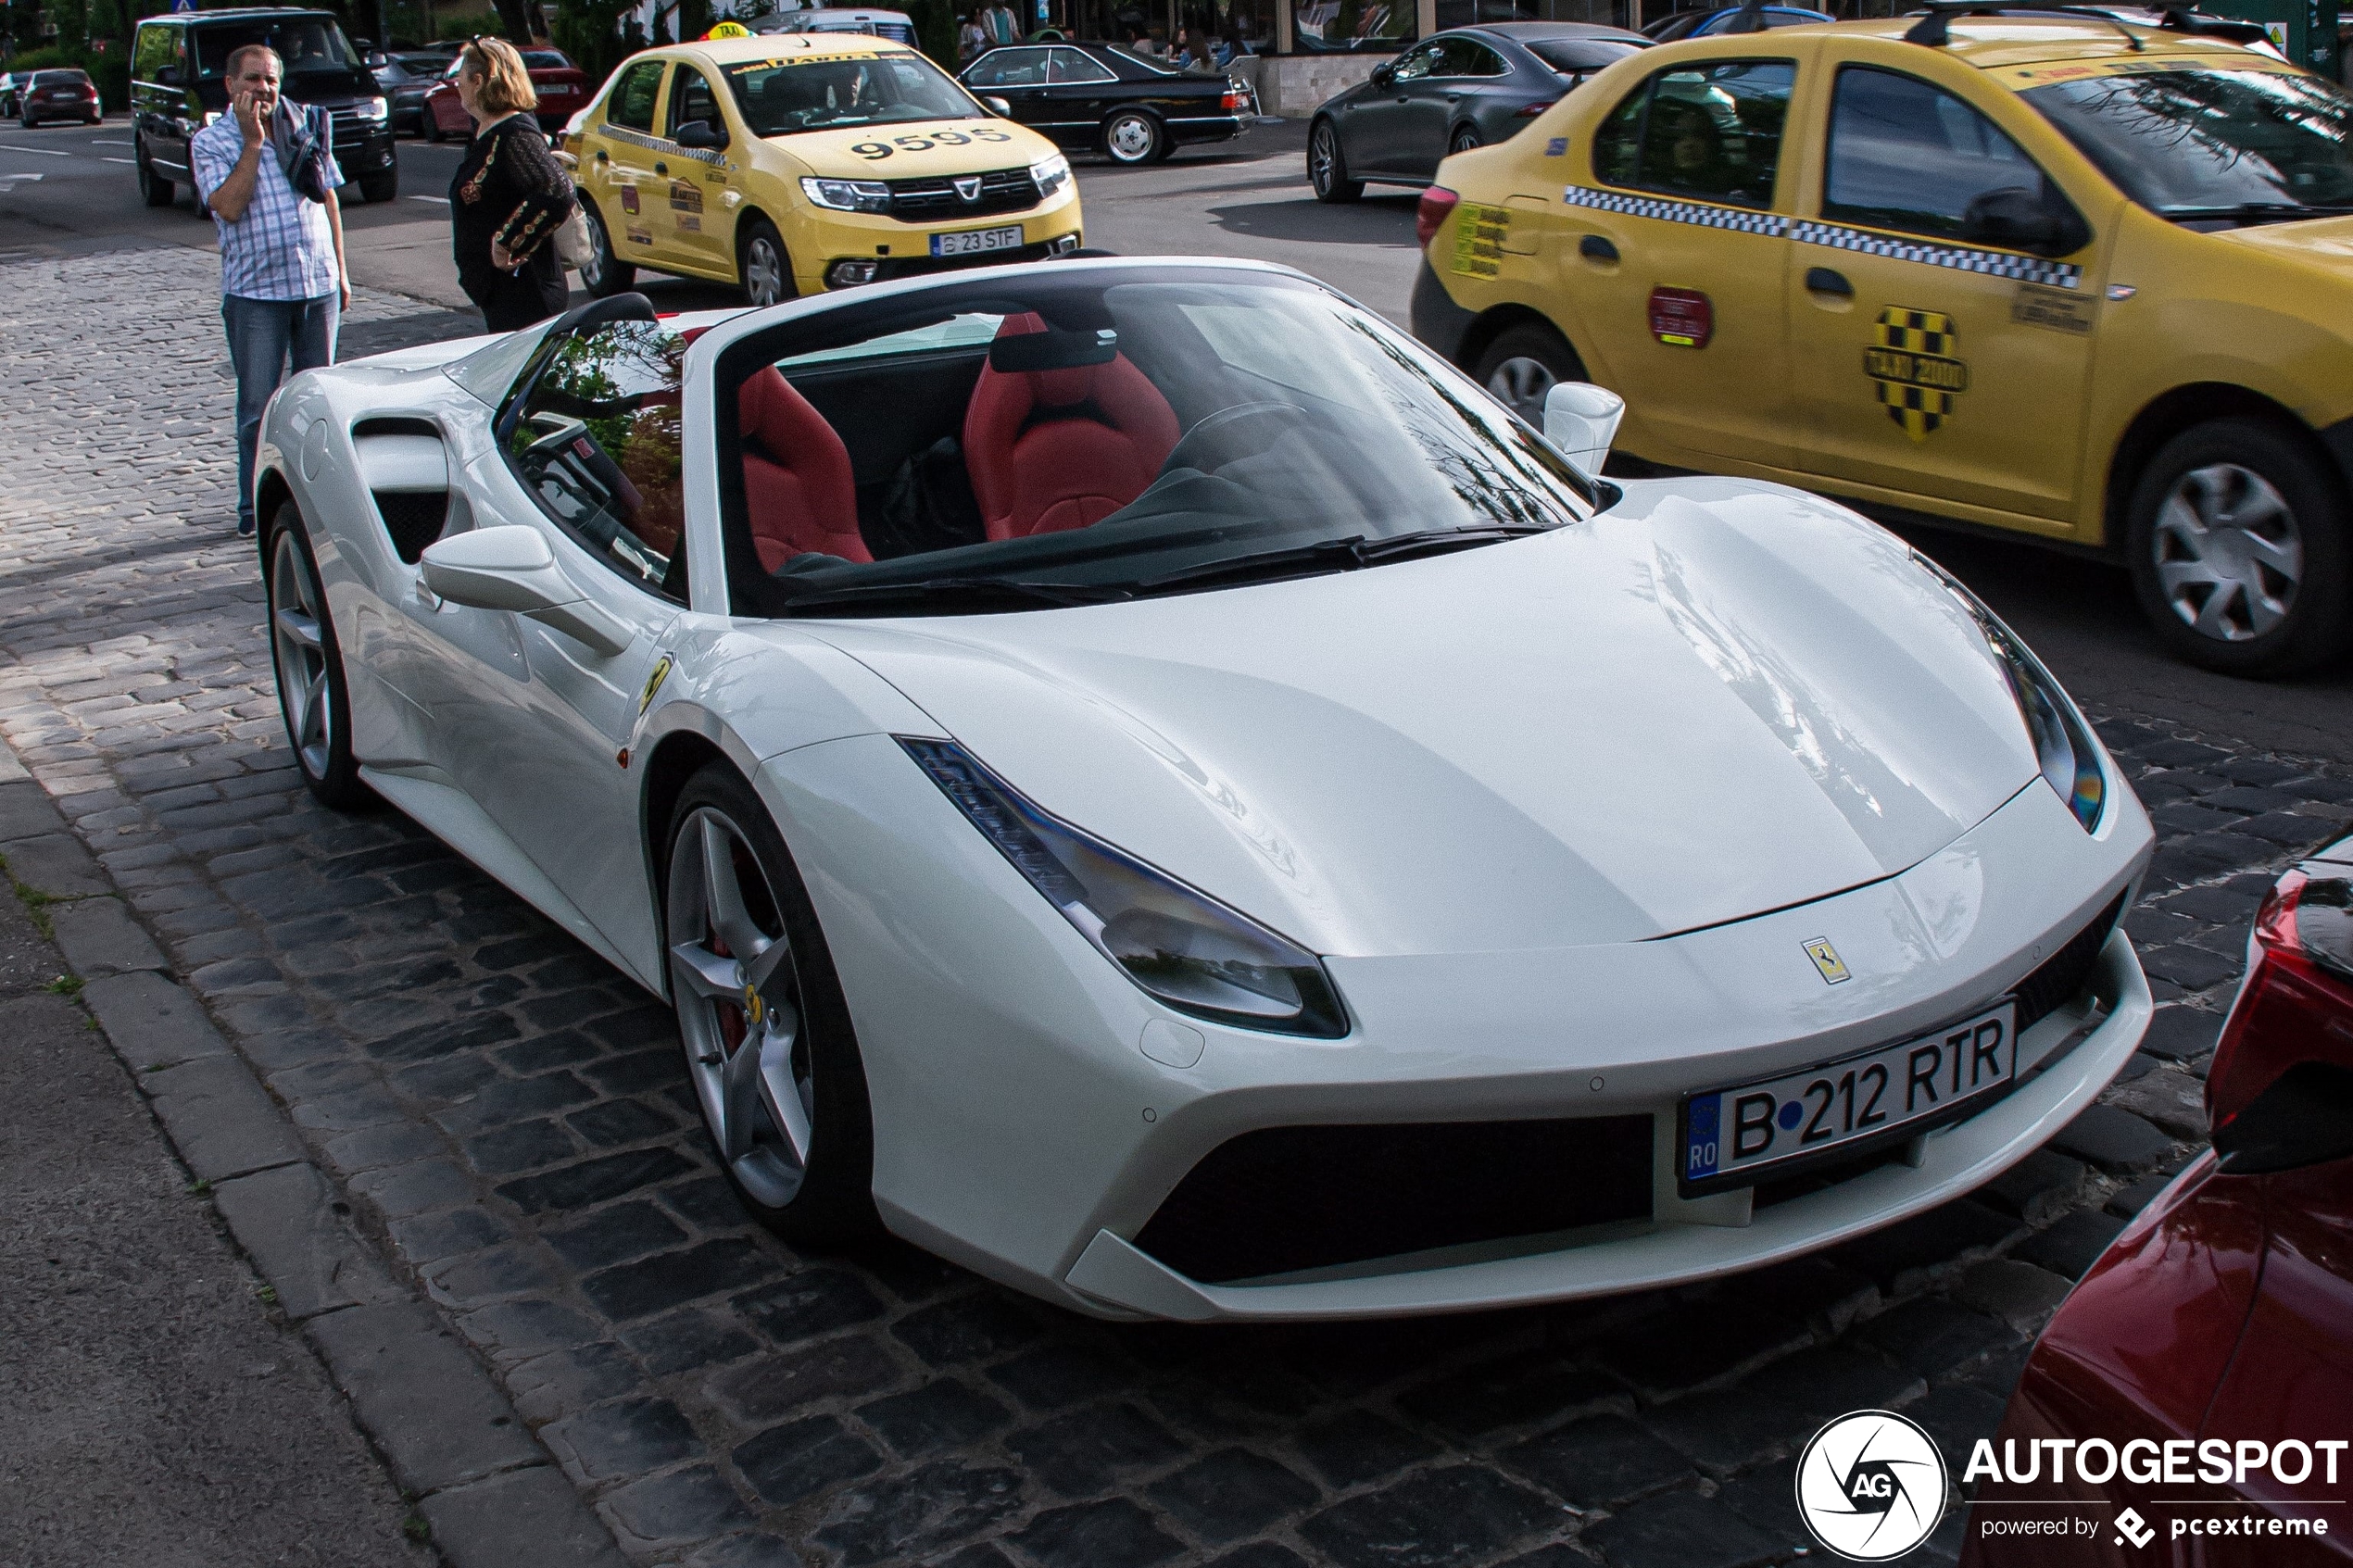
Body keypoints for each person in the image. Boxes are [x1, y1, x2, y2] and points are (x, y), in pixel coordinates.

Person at [190, 44, 350, 539]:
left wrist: (342, 272)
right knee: (258, 408)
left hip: (315, 284)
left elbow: (328, 200)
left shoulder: (303, 125)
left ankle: (316, 504)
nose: (264, 89)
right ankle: (253, 508)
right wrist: (253, 143)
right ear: (230, 85)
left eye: (272, 80)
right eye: (253, 79)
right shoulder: (211, 142)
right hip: (256, 293)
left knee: (319, 406)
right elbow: (229, 207)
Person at [447, 37, 574, 332]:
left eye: (461, 77)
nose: (457, 85)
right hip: (505, 295)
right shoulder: (491, 131)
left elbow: (556, 192)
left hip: (526, 294)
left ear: (478, 81)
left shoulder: (516, 134)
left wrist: (507, 242)